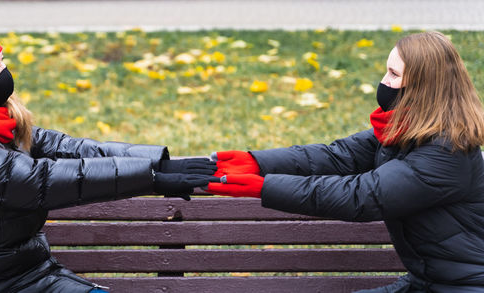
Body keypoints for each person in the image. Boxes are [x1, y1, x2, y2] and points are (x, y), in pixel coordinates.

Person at [0, 19, 216, 292]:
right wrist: (151, 179)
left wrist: (158, 162)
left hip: (27, 276)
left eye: (2, 61)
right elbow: (38, 181)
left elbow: (69, 149)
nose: (4, 73)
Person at [204, 31, 484, 292]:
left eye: (393, 74)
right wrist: (256, 161)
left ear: (423, 88)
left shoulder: (448, 151)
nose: (384, 82)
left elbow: (362, 196)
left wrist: (264, 187)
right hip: (426, 283)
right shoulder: (403, 132)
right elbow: (337, 157)